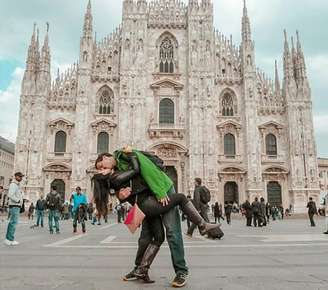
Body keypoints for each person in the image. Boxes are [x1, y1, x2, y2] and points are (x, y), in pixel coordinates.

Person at [94, 151, 221, 286]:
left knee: (172, 231)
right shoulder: (115, 171)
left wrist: (160, 191)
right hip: (145, 200)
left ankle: (181, 271)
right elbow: (120, 187)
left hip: (162, 188)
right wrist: (120, 196)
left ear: (106, 157)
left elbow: (148, 170)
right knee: (146, 237)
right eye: (100, 169)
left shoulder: (126, 154)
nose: (103, 169)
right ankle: (140, 269)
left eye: (102, 166)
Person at [4, 172, 24, 246]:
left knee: (12, 222)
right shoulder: (13, 185)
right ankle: (10, 239)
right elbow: (10, 195)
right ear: (16, 177)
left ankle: (8, 239)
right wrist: (18, 200)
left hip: (16, 205)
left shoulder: (17, 185)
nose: (21, 178)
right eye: (20, 176)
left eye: (21, 177)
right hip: (14, 205)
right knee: (13, 223)